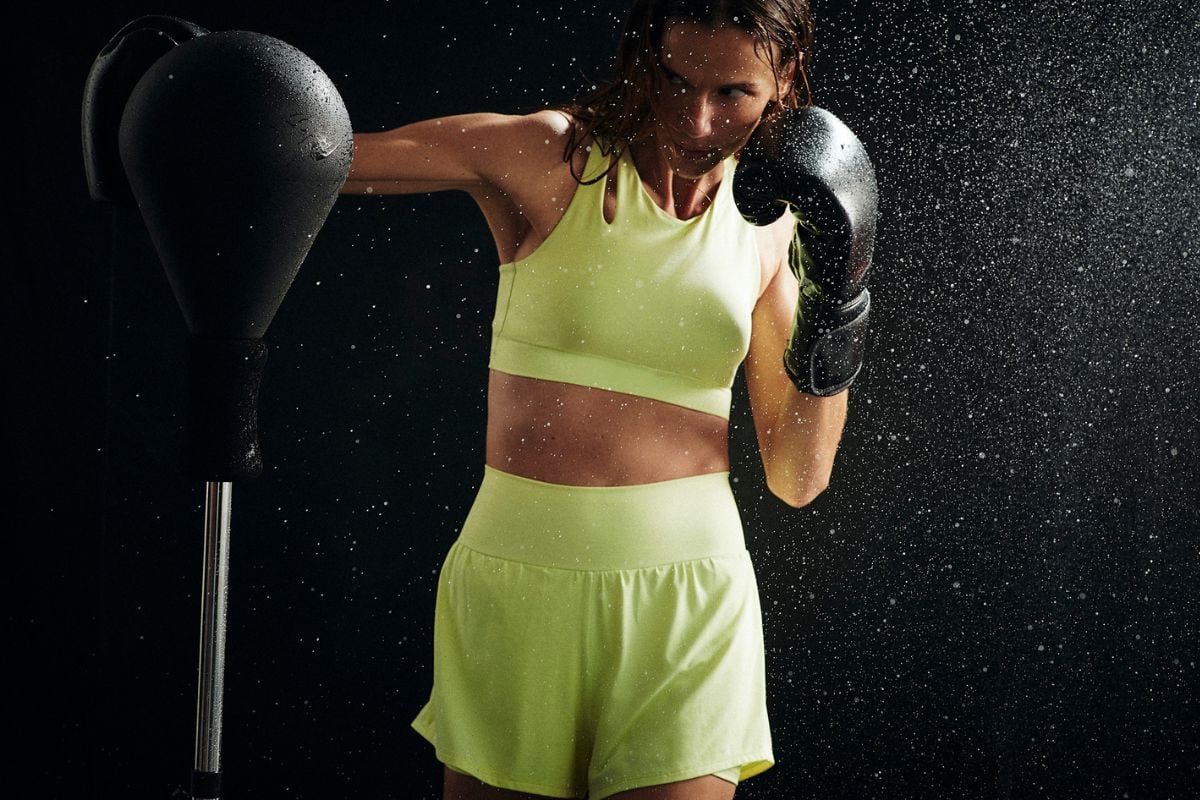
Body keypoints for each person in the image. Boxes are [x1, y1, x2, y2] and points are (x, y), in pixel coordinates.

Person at [342, 1, 875, 797]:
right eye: (673, 79)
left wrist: (841, 300)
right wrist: (205, 92)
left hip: (690, 603)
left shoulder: (773, 231)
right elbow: (321, 157)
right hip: (518, 585)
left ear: (783, 84)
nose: (695, 119)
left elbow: (798, 476)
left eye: (732, 93)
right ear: (643, 57)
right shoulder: (554, 157)